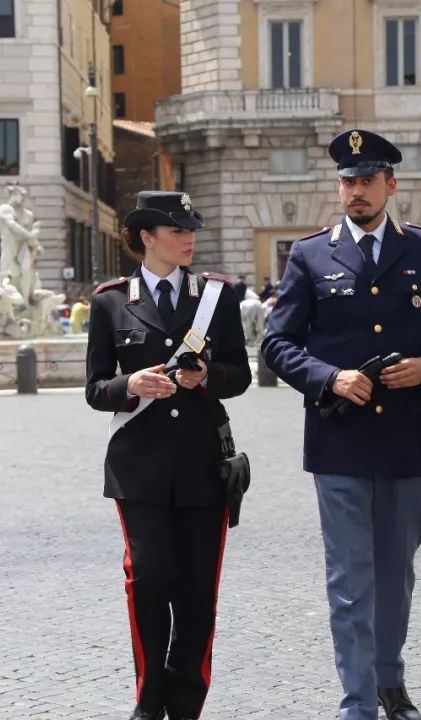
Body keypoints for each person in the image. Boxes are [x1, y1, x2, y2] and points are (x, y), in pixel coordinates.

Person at [262, 128, 421, 720]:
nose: (356, 191)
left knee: (396, 574)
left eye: (367, 181)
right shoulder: (309, 254)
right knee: (351, 579)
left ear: (390, 185)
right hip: (340, 443)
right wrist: (330, 377)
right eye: (348, 181)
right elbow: (277, 345)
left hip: (406, 440)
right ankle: (358, 702)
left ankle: (389, 679)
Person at [85, 191, 251, 720]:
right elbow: (94, 388)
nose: (188, 238)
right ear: (147, 237)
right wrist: (129, 384)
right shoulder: (112, 301)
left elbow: (240, 375)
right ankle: (147, 699)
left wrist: (208, 379)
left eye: (191, 229)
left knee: (198, 596)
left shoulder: (216, 298)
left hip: (204, 467)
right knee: (150, 580)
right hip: (139, 470)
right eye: (177, 230)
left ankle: (185, 706)